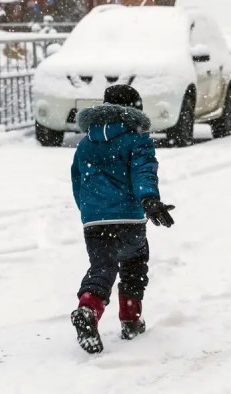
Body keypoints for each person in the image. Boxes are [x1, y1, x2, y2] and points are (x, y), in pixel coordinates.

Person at [69, 85, 175, 354]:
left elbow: (77, 181)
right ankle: (130, 318)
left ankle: (88, 308)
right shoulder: (137, 140)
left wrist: (89, 211)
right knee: (134, 263)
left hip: (93, 221)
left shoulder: (84, 145)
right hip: (128, 218)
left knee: (102, 267)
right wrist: (149, 200)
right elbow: (143, 173)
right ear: (134, 109)